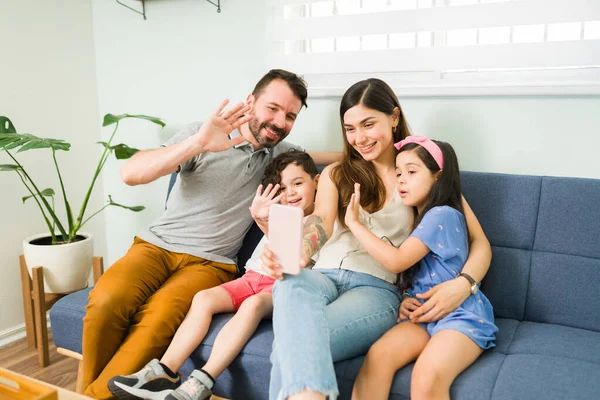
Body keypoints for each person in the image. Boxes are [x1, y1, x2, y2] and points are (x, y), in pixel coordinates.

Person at [81, 69, 336, 399]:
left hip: (212, 264)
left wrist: (380, 151)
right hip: (155, 246)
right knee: (106, 300)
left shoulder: (282, 157)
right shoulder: (201, 136)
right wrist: (198, 143)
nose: (279, 121)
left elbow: (325, 162)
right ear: (251, 102)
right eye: (272, 108)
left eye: (289, 116)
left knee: (158, 319)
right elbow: (131, 173)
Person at [260, 78, 492, 400]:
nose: (359, 138)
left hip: (375, 287)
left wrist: (464, 283)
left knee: (290, 345)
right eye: (350, 129)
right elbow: (321, 221)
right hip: (322, 275)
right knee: (288, 284)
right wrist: (301, 250)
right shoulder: (336, 174)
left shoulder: (418, 175)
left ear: (393, 118)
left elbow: (479, 242)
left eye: (368, 124)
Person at [107, 149, 320, 400]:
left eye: (298, 183)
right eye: (282, 188)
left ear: (317, 182)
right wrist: (263, 217)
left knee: (251, 306)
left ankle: (203, 379)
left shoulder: (320, 221)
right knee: (203, 298)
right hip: (250, 278)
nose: (291, 193)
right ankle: (164, 372)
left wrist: (262, 222)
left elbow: (292, 262)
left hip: (282, 286)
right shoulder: (278, 212)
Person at [350, 136, 498, 399]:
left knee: (426, 375)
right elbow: (422, 273)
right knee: (378, 356)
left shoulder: (442, 214)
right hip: (423, 314)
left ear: (437, 177)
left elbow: (397, 260)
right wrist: (407, 297)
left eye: (411, 172)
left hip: (460, 313)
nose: (402, 180)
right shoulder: (419, 218)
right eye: (398, 173)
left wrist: (354, 224)